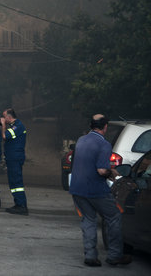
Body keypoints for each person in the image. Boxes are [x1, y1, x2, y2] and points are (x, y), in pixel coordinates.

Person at [69, 114, 132, 267]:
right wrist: (112, 172)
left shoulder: (81, 140)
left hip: (77, 189)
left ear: (91, 126)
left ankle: (90, 256)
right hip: (95, 189)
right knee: (113, 216)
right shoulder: (104, 144)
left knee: (88, 219)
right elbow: (102, 171)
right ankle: (115, 255)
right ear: (105, 127)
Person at [0, 108, 28, 215]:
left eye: (4, 116)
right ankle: (18, 203)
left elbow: (4, 136)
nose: (3, 118)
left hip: (15, 157)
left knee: (17, 182)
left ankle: (22, 205)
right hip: (12, 157)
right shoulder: (13, 126)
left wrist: (3, 125)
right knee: (13, 182)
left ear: (9, 117)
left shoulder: (18, 126)